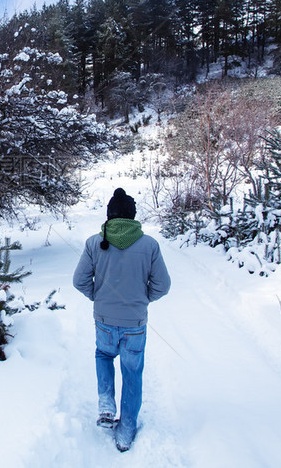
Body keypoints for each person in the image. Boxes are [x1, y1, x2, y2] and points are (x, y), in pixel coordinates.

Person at [72, 187, 171, 452]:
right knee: (132, 372)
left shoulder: (95, 242)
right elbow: (162, 286)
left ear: (110, 216)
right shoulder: (149, 245)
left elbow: (79, 281)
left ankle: (106, 404)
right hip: (135, 325)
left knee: (103, 356)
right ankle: (126, 431)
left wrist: (100, 297)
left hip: (104, 319)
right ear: (132, 216)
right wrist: (141, 299)